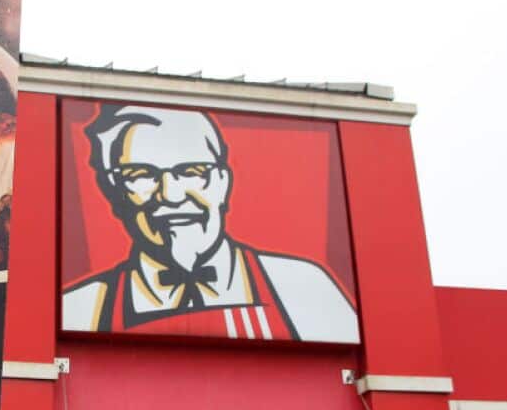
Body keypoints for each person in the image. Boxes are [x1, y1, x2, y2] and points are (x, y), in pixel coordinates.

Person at [61, 104, 359, 343]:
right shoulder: (85, 306)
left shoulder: (302, 288)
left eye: (192, 171)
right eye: (141, 175)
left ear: (222, 182)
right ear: (115, 192)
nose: (171, 195)